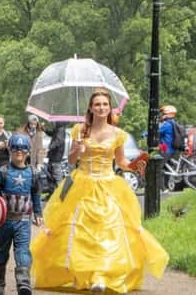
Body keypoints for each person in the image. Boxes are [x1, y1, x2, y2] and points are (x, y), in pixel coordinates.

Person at [31, 89, 168, 293]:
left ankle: (102, 275)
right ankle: (82, 273)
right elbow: (70, 160)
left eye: (105, 104)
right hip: (82, 184)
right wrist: (78, 149)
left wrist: (138, 164)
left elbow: (121, 162)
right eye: (97, 104)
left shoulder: (118, 134)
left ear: (109, 108)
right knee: (79, 231)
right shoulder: (80, 130)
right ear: (91, 108)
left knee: (108, 230)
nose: (101, 108)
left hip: (108, 185)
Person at [0, 133, 42, 295]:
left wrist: (38, 212)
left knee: (23, 251)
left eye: (23, 149)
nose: (19, 152)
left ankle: (23, 282)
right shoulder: (3, 172)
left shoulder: (33, 173)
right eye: (16, 148)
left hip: (23, 221)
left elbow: (36, 195)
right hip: (5, 221)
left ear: (28, 151)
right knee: (0, 251)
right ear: (10, 150)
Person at [159, 105, 182, 190]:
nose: (161, 115)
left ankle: (163, 189)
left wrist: (145, 134)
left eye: (163, 113)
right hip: (173, 150)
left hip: (166, 150)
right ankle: (167, 186)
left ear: (167, 114)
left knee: (158, 168)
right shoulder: (174, 123)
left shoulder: (167, 125)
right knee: (166, 168)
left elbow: (157, 132)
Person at [45, 122, 67, 189]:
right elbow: (52, 134)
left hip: (56, 158)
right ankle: (51, 194)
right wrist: (45, 129)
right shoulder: (57, 129)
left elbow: (58, 141)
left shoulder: (61, 129)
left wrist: (49, 147)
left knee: (57, 178)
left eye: (54, 122)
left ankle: (60, 195)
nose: (53, 123)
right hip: (52, 157)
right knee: (50, 177)